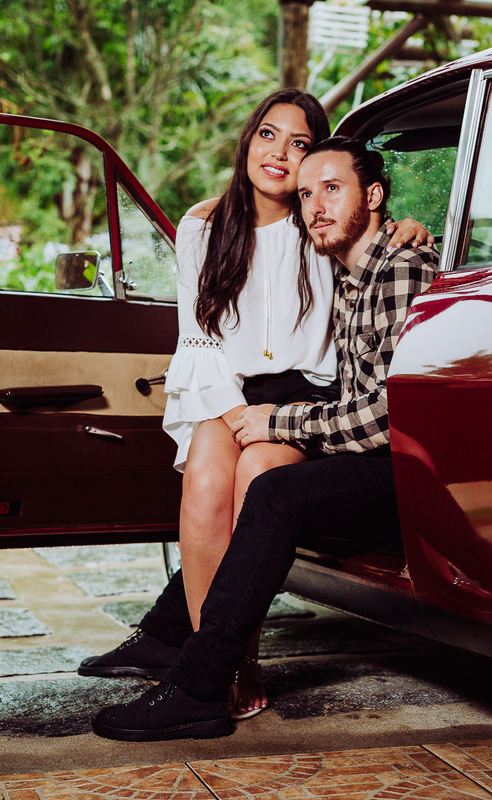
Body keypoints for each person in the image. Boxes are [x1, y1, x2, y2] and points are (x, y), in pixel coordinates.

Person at [77, 91, 431, 720]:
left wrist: (408, 225)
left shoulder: (319, 224)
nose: (280, 153)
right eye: (268, 135)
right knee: (206, 481)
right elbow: (198, 336)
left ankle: (231, 654)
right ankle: (213, 657)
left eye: (299, 144)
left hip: (307, 392)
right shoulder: (202, 226)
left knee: (257, 476)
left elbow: (369, 237)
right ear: (247, 141)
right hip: (227, 387)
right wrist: (228, 416)